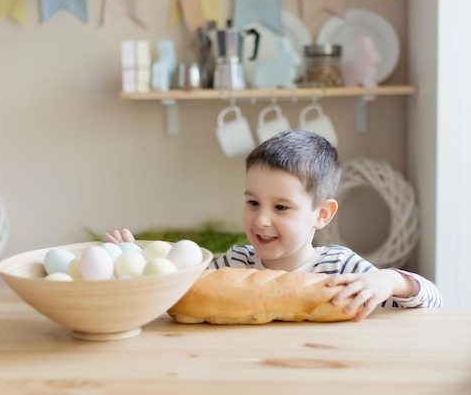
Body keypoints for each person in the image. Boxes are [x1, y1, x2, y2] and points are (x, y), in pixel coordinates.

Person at [104, 129, 443, 321]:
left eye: (281, 207)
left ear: (321, 215)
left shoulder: (343, 269)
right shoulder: (231, 266)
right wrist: (136, 265)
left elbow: (434, 304)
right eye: (252, 203)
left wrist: (389, 280)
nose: (261, 219)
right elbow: (174, 296)